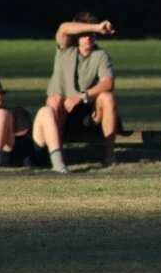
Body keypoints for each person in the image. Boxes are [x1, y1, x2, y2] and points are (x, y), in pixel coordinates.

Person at [46, 12, 119, 165]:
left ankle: (110, 155)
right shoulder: (65, 48)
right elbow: (64, 28)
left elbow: (108, 83)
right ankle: (57, 157)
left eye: (92, 35)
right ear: (76, 36)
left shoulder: (100, 55)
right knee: (54, 99)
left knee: (108, 97)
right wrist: (98, 27)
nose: (88, 38)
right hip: (62, 110)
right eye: (84, 35)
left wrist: (81, 96)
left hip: (88, 111)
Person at [0, 77, 68, 173]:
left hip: (29, 154)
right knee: (1, 113)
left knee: (47, 111)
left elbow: (24, 130)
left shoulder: (16, 112)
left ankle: (59, 165)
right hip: (5, 157)